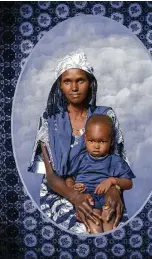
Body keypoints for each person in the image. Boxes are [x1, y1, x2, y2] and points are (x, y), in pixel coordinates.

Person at [28, 52, 129, 233]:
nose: (74, 87)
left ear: (90, 83)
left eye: (80, 80)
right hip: (61, 192)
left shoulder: (105, 116)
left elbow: (117, 164)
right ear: (60, 85)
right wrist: (76, 198)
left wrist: (114, 190)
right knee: (85, 230)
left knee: (113, 226)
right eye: (67, 81)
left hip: (102, 189)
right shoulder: (49, 120)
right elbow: (51, 176)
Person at [65, 114, 135, 233]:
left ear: (111, 141)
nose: (96, 146)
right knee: (95, 222)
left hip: (107, 199)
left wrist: (112, 181)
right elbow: (69, 178)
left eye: (102, 141)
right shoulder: (80, 159)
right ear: (85, 138)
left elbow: (129, 183)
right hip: (87, 198)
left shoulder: (115, 161)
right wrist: (72, 187)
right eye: (91, 141)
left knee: (109, 219)